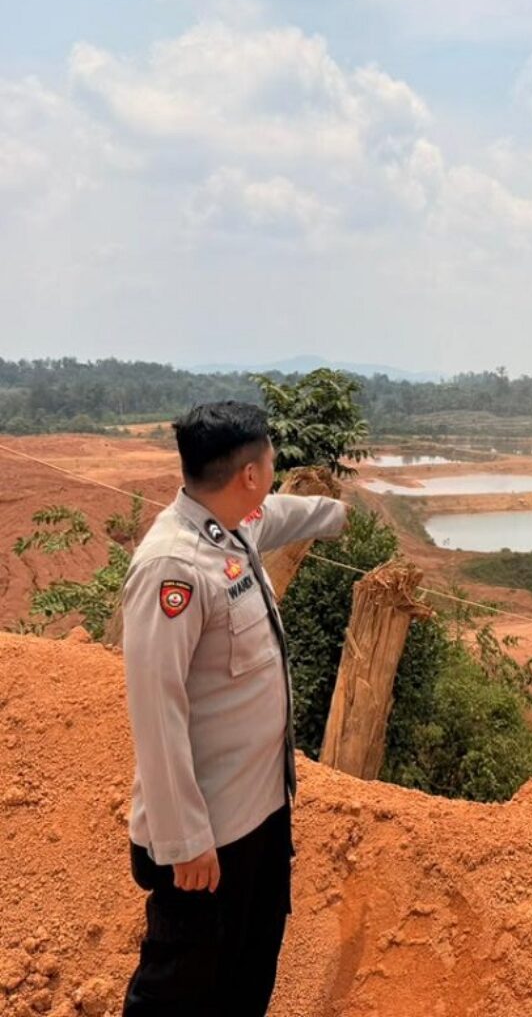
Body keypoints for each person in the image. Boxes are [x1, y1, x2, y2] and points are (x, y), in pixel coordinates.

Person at [121, 400, 349, 1016]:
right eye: (271, 460)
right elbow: (155, 708)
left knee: (248, 971)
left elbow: (279, 514)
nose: (274, 471)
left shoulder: (232, 524)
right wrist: (184, 839)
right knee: (179, 990)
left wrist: (340, 515)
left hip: (261, 815)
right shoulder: (173, 567)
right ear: (249, 472)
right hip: (207, 840)